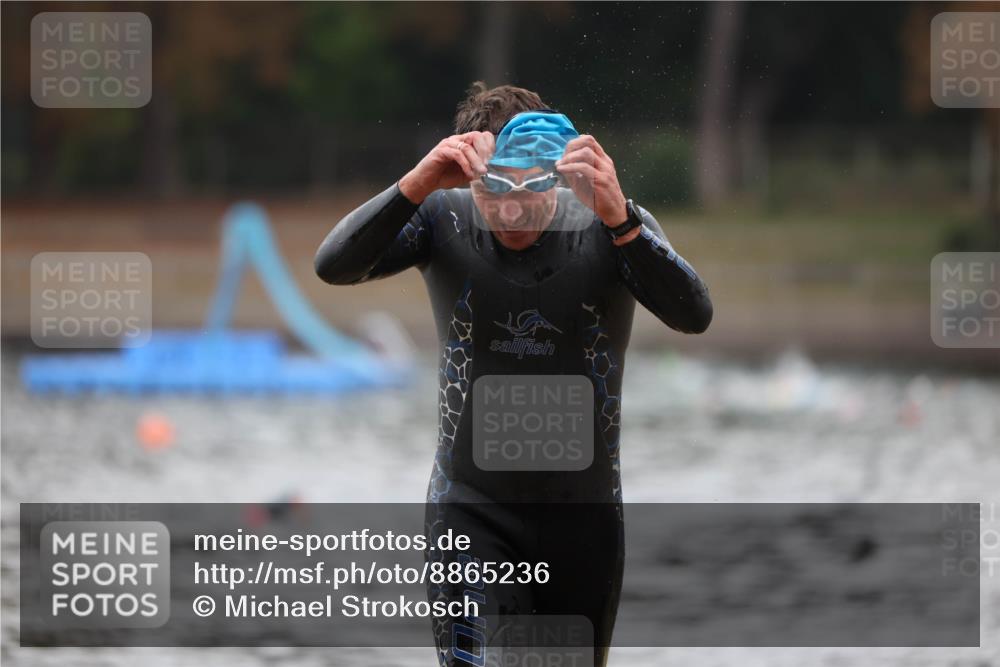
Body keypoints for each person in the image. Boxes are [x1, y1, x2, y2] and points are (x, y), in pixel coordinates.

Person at [314, 81, 712, 667]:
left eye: (529, 185)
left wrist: (622, 218)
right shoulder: (442, 217)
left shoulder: (610, 219)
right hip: (471, 509)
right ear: (470, 174)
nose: (510, 208)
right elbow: (334, 266)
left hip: (584, 519)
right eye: (493, 187)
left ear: (554, 170)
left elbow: (693, 315)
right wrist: (416, 183)